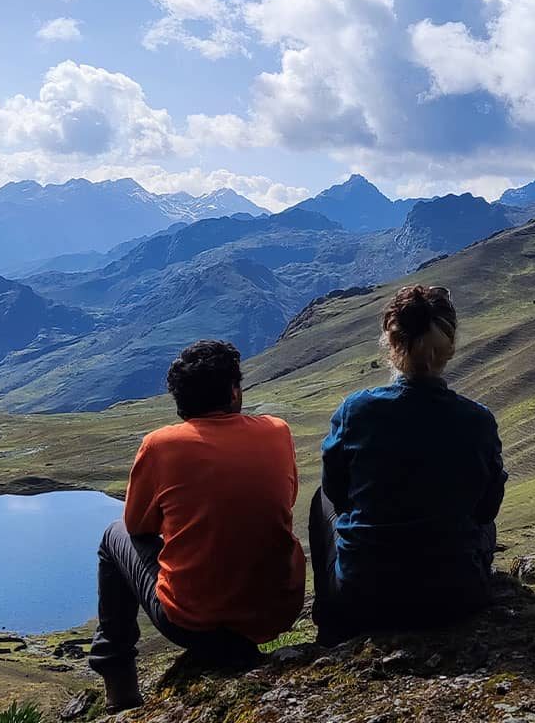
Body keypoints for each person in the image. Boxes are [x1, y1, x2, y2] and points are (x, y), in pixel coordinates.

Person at [89, 340, 306, 713]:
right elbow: (282, 503)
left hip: (193, 622)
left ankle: (118, 680)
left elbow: (138, 525)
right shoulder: (277, 431)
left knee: (114, 536)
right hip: (277, 611)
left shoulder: (160, 445)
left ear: (179, 399)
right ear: (234, 391)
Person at [309, 285, 507, 644]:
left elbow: (337, 493)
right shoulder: (477, 419)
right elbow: (487, 507)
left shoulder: (357, 410)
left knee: (319, 500)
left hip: (365, 595)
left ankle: (330, 622)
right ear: (450, 345)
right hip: (457, 596)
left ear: (390, 341)